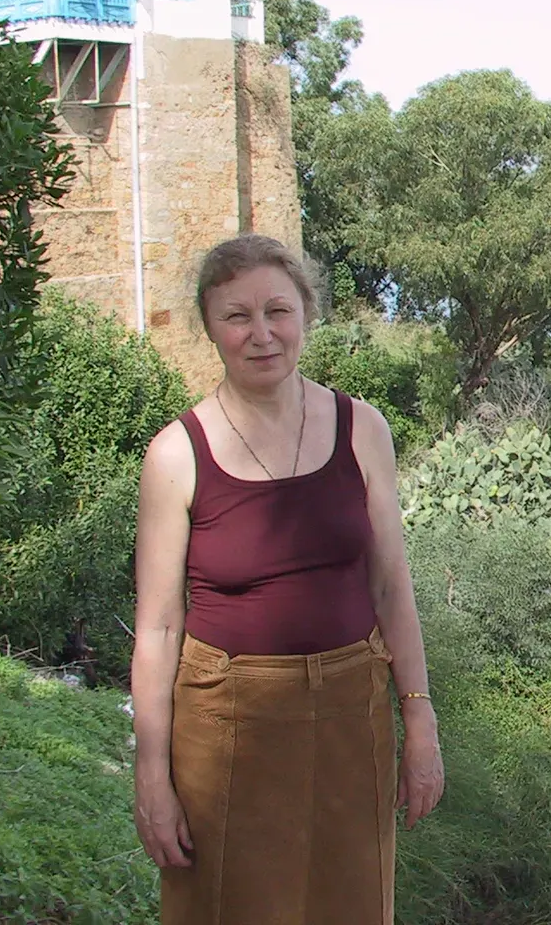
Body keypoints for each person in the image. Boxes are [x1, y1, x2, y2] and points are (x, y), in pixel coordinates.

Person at [130, 234, 444, 925]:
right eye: (236, 316)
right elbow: (158, 627)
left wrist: (419, 718)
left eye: (278, 310)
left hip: (351, 715)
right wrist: (151, 774)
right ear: (209, 327)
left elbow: (391, 586)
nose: (261, 333)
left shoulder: (363, 429)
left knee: (350, 905)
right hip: (225, 725)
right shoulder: (177, 454)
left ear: (306, 312)